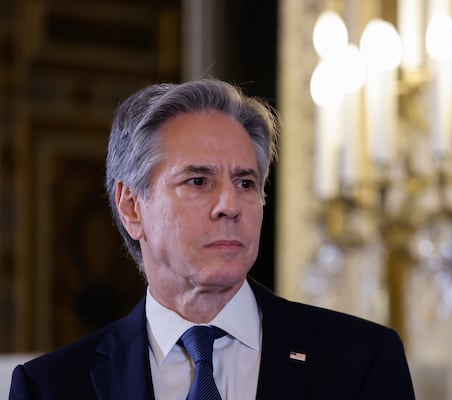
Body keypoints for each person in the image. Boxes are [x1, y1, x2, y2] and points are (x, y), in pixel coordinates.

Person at [9, 78, 415, 399]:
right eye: (198, 180)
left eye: (245, 182)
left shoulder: (361, 361)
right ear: (132, 207)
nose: (230, 205)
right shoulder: (52, 387)